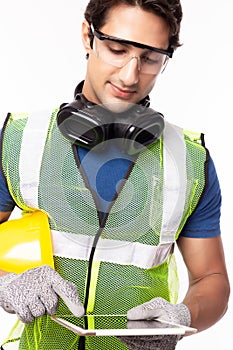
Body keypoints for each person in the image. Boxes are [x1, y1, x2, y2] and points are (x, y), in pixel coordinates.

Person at [0, 0, 230, 349]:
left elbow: (211, 278)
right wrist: (4, 282)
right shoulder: (20, 140)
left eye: (151, 58)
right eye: (117, 49)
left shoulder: (190, 160)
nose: (130, 75)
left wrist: (184, 316)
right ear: (87, 36)